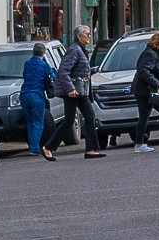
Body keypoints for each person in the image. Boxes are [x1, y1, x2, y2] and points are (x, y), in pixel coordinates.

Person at [54, 26, 105, 159]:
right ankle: (48, 147)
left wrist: (92, 71)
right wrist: (70, 89)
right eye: (87, 34)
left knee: (89, 116)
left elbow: (79, 70)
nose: (89, 36)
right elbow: (63, 71)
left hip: (81, 91)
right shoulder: (74, 50)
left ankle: (91, 149)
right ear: (78, 36)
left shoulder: (81, 50)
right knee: (69, 120)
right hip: (73, 91)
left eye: (89, 34)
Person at [20, 42, 58, 161]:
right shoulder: (44, 65)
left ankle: (31, 145)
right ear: (44, 52)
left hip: (24, 95)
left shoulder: (27, 63)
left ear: (33, 52)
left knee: (30, 122)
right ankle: (34, 148)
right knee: (38, 123)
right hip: (37, 95)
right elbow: (54, 77)